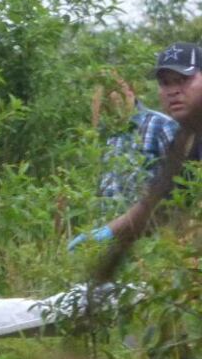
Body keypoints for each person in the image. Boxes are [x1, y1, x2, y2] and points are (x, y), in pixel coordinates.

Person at [71, 42, 202, 249]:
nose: (173, 91)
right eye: (165, 83)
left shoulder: (161, 125)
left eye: (183, 80)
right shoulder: (189, 141)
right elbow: (165, 202)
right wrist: (106, 233)